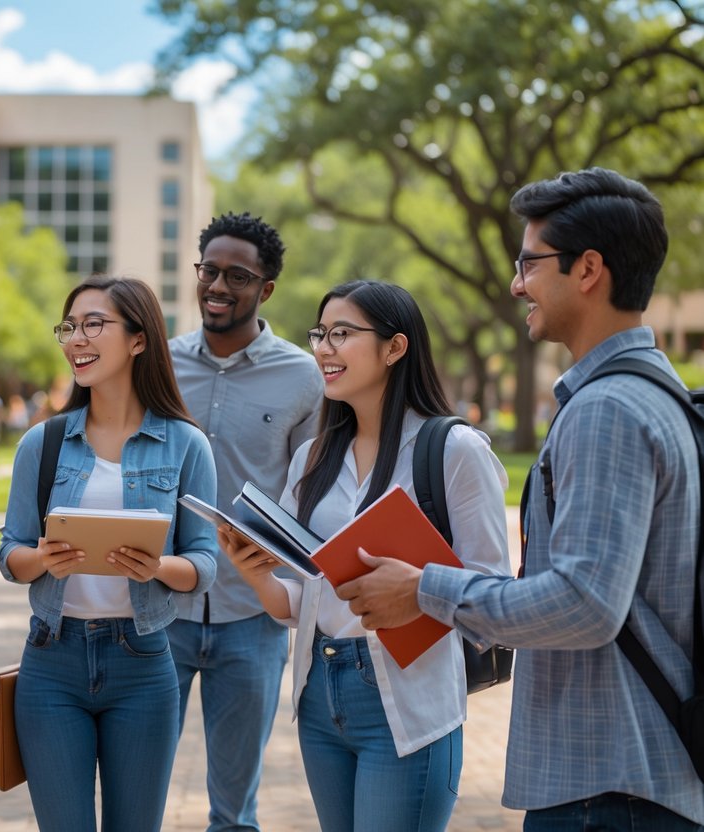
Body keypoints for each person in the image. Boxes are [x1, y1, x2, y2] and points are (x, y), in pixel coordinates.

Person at [335, 169, 704, 829]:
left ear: (587, 269)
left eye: (528, 263)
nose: (515, 284)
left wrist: (423, 589)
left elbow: (584, 603)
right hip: (632, 780)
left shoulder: (607, 410)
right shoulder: (657, 395)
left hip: (606, 790)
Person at [222, 280, 510, 832]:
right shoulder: (312, 458)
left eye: (342, 334)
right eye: (319, 334)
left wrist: (418, 592)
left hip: (407, 702)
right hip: (319, 698)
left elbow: (492, 592)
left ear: (394, 347)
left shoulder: (454, 451)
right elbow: (304, 598)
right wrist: (256, 576)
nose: (323, 348)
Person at [0, 275, 219, 832]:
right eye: (69, 327)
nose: (77, 338)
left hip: (143, 663)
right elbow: (10, 554)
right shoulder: (43, 443)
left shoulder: (186, 444)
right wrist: (44, 559)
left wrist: (159, 566)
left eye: (94, 324)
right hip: (52, 662)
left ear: (139, 340)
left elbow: (205, 563)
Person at [168, 210, 323, 831]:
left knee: (234, 811)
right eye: (210, 270)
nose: (219, 286)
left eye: (238, 275)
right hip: (161, 607)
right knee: (134, 788)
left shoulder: (306, 377)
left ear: (266, 289)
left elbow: (312, 493)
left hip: (252, 618)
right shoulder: (157, 363)